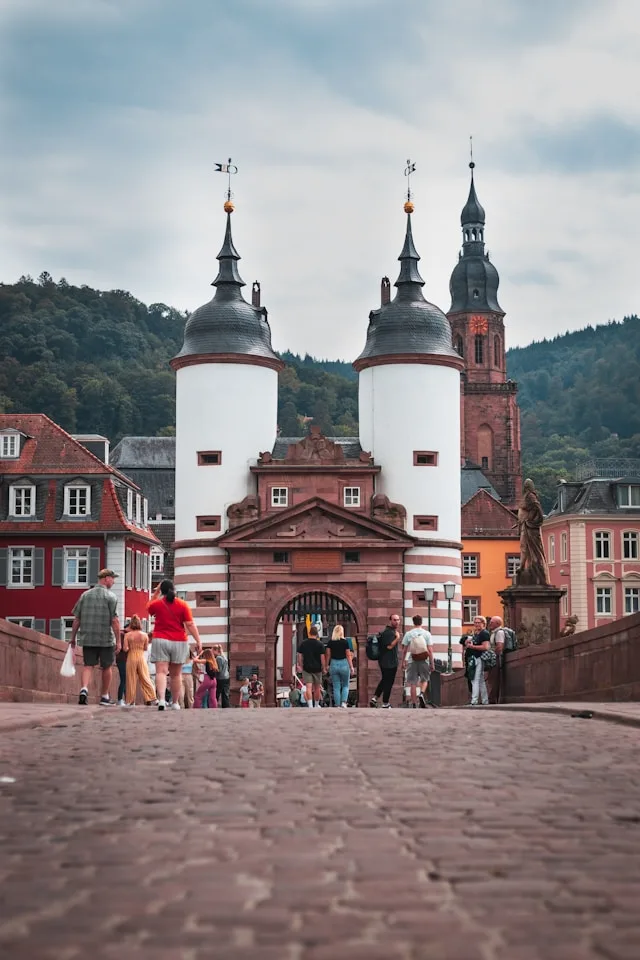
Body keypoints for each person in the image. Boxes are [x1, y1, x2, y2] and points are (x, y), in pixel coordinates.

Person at [148, 579, 202, 711]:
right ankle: (175, 702)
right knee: (176, 674)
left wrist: (156, 592)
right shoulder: (183, 605)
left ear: (163, 591)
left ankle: (161, 700)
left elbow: (148, 606)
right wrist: (198, 640)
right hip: (179, 641)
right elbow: (190, 624)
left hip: (160, 639)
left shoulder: (158, 604)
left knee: (161, 672)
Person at [70, 568, 121, 707]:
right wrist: (119, 641)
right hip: (105, 638)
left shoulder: (85, 595)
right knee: (107, 667)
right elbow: (115, 621)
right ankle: (104, 696)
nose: (114, 581)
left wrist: (73, 638)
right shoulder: (111, 597)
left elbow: (77, 619)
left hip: (88, 638)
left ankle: (84, 689)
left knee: (88, 666)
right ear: (106, 579)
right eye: (112, 578)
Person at [123, 615, 157, 707]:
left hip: (131, 657)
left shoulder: (127, 635)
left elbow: (125, 649)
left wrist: (131, 647)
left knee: (131, 679)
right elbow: (145, 648)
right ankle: (153, 697)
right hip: (141, 657)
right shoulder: (145, 635)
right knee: (145, 678)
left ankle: (130, 701)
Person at [401, 614, 434, 708]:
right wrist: (432, 663)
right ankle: (422, 694)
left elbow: (404, 650)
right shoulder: (426, 634)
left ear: (413, 622)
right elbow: (430, 650)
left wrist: (403, 661)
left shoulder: (409, 634)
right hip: (424, 660)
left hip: (412, 660)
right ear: (421, 622)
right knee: (425, 680)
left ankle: (414, 704)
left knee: (412, 683)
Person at [369, 613, 401, 709]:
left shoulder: (389, 631)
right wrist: (397, 638)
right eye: (394, 620)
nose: (397, 622)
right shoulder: (389, 632)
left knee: (384, 680)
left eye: (398, 620)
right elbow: (389, 646)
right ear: (390, 621)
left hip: (386, 661)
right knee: (388, 682)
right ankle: (385, 703)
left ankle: (375, 698)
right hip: (389, 662)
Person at [296, 625, 326, 708]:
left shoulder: (303, 643)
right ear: (317, 634)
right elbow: (322, 657)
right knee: (317, 688)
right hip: (317, 668)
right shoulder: (320, 644)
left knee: (308, 687)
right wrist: (324, 667)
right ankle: (316, 705)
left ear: (309, 633)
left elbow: (299, 655)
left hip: (307, 668)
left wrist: (300, 665)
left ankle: (310, 705)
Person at [324, 624, 354, 708]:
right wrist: (351, 666)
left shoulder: (330, 642)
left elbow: (328, 654)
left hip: (334, 664)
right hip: (344, 663)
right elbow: (348, 655)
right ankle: (344, 703)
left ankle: (337, 704)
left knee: (336, 686)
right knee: (345, 685)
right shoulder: (345, 642)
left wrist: (326, 665)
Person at [465, 615, 491, 706]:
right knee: (480, 680)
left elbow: (486, 647)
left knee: (475, 679)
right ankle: (485, 700)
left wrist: (473, 646)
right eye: (475, 622)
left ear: (483, 623)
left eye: (478, 622)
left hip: (479, 658)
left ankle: (474, 700)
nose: (476, 624)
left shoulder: (484, 633)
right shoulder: (477, 633)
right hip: (475, 658)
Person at [487, 615, 506, 704]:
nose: (490, 624)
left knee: (494, 679)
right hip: (494, 658)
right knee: (492, 679)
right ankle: (492, 698)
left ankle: (493, 699)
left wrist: (493, 656)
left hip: (496, 659)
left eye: (492, 622)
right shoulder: (494, 632)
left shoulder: (499, 632)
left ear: (497, 624)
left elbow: (499, 646)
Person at [116, 620, 130, 706]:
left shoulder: (124, 635)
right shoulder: (122, 635)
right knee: (123, 679)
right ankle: (120, 699)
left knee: (125, 680)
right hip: (122, 660)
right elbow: (123, 648)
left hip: (125, 660)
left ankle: (126, 699)